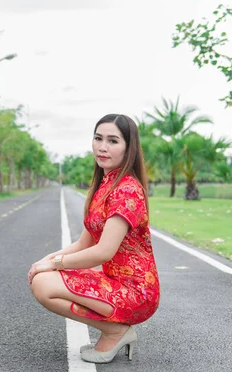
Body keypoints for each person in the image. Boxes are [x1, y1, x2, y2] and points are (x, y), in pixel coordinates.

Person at [28, 113, 160, 364]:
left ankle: (115, 331)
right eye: (98, 138)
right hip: (114, 282)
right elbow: (82, 245)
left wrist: (54, 264)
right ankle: (113, 329)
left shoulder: (127, 190)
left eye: (113, 141)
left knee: (45, 284)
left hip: (136, 291)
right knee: (41, 277)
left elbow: (103, 252)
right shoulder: (103, 187)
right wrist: (44, 260)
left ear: (128, 148)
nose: (102, 147)